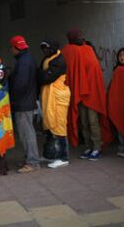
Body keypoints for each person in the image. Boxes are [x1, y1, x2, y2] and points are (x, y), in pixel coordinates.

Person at [62, 30, 110, 161]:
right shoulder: (74, 51)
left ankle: (96, 148)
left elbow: (93, 72)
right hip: (82, 92)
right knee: (84, 122)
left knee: (93, 122)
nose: (81, 38)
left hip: (91, 93)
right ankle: (89, 147)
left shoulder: (87, 50)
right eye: (78, 37)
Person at [9, 35, 40, 173]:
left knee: (27, 133)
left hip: (23, 102)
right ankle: (29, 158)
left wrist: (12, 97)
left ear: (16, 48)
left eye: (11, 47)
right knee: (26, 132)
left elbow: (20, 84)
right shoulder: (28, 58)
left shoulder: (23, 62)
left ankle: (32, 162)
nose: (11, 50)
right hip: (27, 100)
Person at [37, 39, 71, 168]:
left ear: (52, 48)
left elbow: (46, 77)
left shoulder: (59, 60)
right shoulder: (47, 59)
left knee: (59, 127)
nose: (44, 51)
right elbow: (41, 75)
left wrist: (41, 75)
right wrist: (41, 74)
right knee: (50, 126)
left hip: (58, 98)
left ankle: (63, 157)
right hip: (49, 97)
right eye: (43, 48)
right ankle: (49, 155)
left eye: (46, 48)